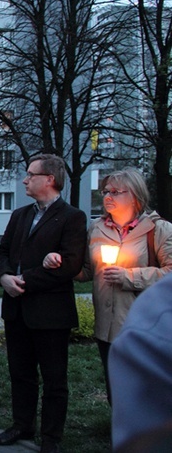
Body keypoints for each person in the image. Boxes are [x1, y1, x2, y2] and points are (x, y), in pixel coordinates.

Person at [43, 168, 172, 404]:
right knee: (117, 390)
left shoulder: (159, 230)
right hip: (107, 328)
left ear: (134, 195)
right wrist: (61, 263)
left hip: (146, 327)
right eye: (105, 191)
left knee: (147, 392)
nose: (107, 197)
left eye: (115, 191)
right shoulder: (96, 229)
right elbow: (87, 272)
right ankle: (120, 436)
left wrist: (129, 276)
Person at [0, 154, 87, 453]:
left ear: (49, 179)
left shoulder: (72, 217)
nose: (24, 179)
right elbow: (1, 252)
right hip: (16, 309)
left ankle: (51, 437)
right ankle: (22, 424)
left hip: (49, 313)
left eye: (30, 174)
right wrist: (5, 277)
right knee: (20, 373)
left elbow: (70, 265)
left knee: (54, 378)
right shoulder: (20, 214)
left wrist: (25, 282)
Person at [108, 273, 172, 450]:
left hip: (129, 309)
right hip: (108, 321)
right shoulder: (150, 326)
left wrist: (127, 276)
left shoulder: (155, 320)